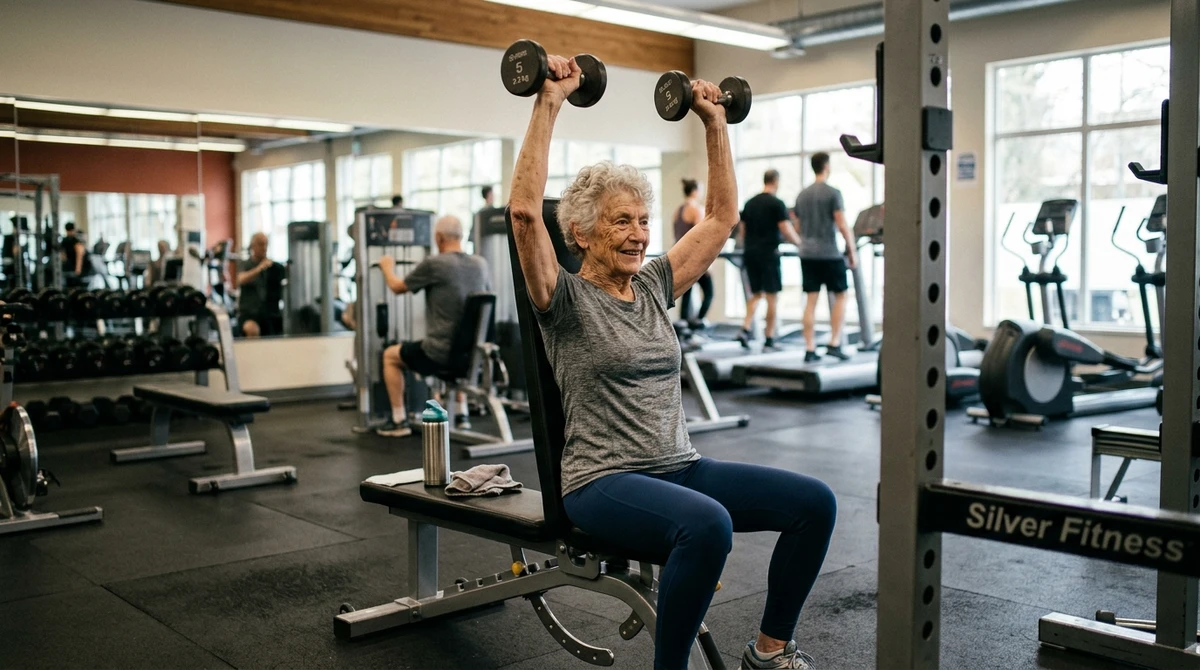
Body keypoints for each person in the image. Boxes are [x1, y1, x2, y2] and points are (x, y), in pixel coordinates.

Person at [509, 53, 835, 670]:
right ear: (581, 234)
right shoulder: (563, 299)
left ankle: (769, 653)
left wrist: (715, 122)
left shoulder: (655, 283)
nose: (638, 234)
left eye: (642, 220)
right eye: (621, 222)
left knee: (814, 503)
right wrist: (548, 101)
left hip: (680, 467)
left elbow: (721, 217)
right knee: (708, 525)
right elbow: (525, 214)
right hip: (602, 481)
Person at [374, 215, 489, 437]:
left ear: (438, 238)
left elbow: (397, 287)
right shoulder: (481, 264)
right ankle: (462, 415)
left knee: (389, 356)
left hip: (439, 354)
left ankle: (398, 421)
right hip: (472, 354)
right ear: (461, 236)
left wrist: (387, 267)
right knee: (461, 334)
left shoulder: (434, 264)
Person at [794, 152, 857, 362]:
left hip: (807, 253)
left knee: (811, 300)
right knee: (841, 295)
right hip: (829, 253)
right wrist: (852, 250)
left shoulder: (802, 195)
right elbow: (842, 224)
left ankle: (810, 348)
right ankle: (834, 343)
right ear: (826, 166)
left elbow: (798, 227)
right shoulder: (833, 193)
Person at [736, 169, 802, 351]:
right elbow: (786, 229)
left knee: (756, 294)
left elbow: (742, 230)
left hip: (751, 253)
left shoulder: (749, 203)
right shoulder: (777, 203)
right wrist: (800, 244)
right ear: (776, 181)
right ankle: (769, 338)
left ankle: (745, 328)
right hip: (768, 254)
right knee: (772, 297)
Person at [674, 178, 713, 330]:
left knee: (687, 293)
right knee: (709, 292)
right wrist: (707, 263)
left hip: (682, 258)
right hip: (695, 259)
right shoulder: (697, 210)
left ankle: (685, 325)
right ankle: (697, 322)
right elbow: (701, 238)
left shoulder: (678, 211)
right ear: (695, 191)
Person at [236, 232, 282, 338]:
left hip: (269, 314)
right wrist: (259, 269)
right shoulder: (245, 264)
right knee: (252, 329)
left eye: (266, 244)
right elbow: (241, 279)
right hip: (249, 314)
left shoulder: (274, 267)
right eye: (261, 244)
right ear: (253, 246)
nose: (264, 248)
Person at [61, 222, 87, 287]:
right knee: (69, 285)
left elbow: (79, 255)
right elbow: (63, 255)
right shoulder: (64, 241)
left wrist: (78, 268)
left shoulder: (76, 241)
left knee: (77, 285)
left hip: (76, 268)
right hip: (69, 267)